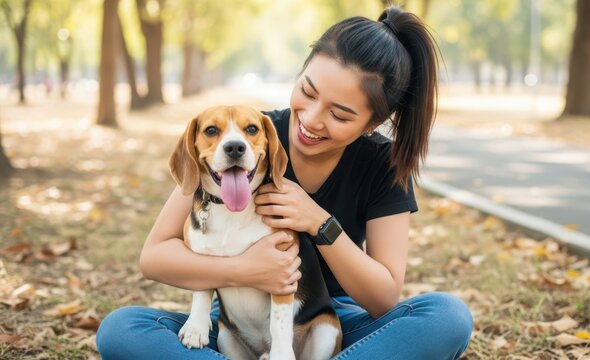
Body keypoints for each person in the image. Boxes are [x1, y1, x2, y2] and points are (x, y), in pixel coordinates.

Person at [96, 6, 473, 359]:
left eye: (339, 115)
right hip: (232, 317)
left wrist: (318, 223)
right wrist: (247, 269)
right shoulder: (243, 140)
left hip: (330, 322)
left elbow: (383, 299)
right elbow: (155, 256)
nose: (311, 119)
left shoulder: (383, 164)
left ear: (371, 124)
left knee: (448, 317)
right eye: (307, 92)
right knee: (122, 329)